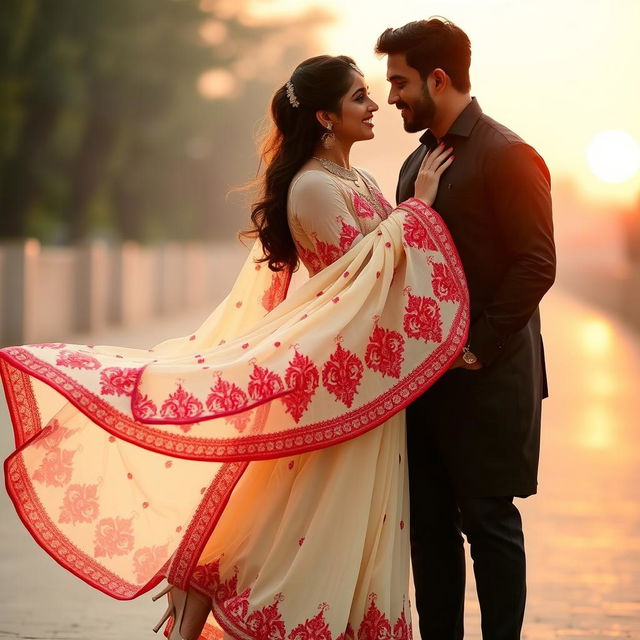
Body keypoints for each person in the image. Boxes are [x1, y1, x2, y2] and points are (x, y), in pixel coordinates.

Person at [0, 56, 469, 640]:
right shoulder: (314, 188)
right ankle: (221, 599)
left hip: (362, 379)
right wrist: (419, 209)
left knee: (307, 512)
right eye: (358, 98)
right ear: (325, 117)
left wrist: (408, 214)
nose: (374, 106)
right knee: (292, 514)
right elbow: (362, 278)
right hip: (331, 380)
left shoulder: (362, 181)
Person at [375, 18, 556, 640]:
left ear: (439, 78)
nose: (391, 95)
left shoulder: (510, 154)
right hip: (423, 383)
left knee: (487, 519)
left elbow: (537, 262)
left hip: (490, 375)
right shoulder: (412, 165)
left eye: (399, 81)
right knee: (428, 525)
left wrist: (475, 348)